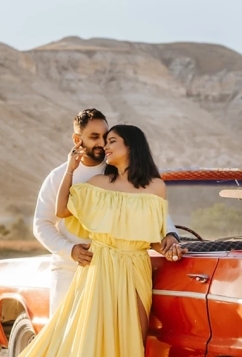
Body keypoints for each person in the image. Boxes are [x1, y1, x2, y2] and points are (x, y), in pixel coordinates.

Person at [20, 124, 170, 357]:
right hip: (101, 265)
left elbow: (152, 235)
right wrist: (70, 169)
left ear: (130, 145)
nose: (105, 146)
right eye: (104, 141)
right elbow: (62, 210)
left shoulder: (157, 187)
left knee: (133, 340)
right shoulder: (99, 184)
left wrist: (171, 246)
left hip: (136, 266)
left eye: (112, 141)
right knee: (93, 337)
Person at [32, 108, 183, 316]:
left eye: (106, 136)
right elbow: (42, 223)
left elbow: (150, 207)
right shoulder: (58, 176)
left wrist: (171, 234)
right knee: (67, 334)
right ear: (77, 139)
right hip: (69, 267)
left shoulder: (115, 169)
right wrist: (70, 250)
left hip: (110, 271)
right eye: (94, 137)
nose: (102, 144)